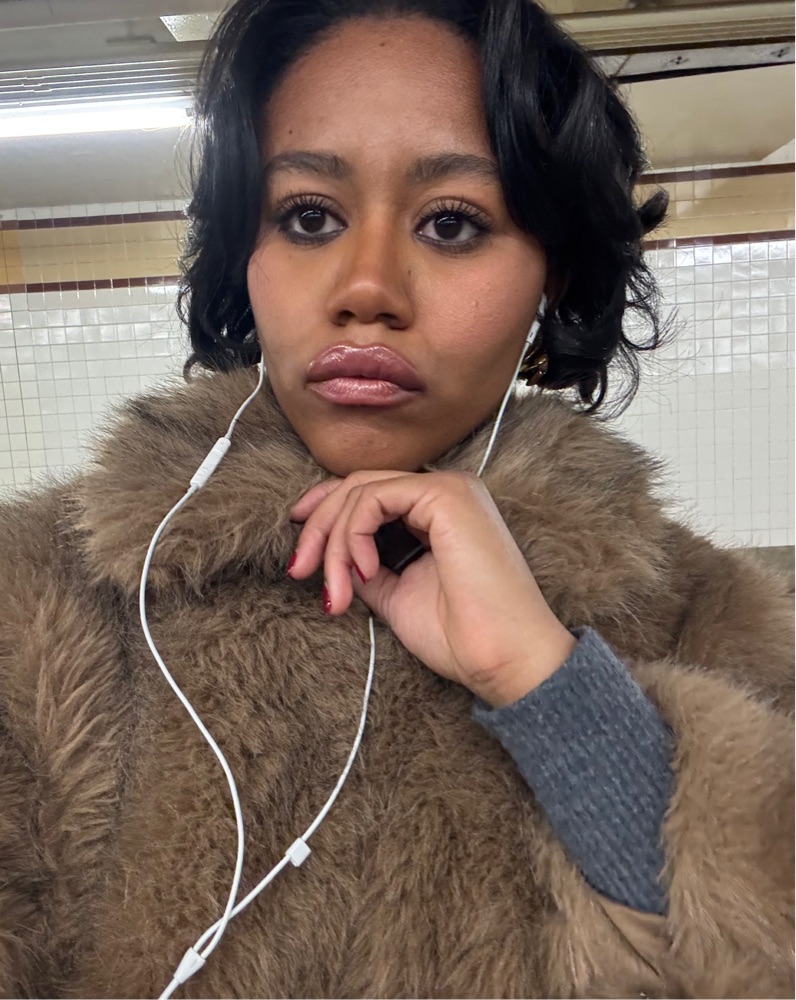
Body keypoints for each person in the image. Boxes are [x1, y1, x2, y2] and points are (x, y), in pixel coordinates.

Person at [0, 0, 792, 996]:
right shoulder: (38, 603)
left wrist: (552, 688)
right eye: (308, 217)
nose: (367, 285)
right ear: (246, 257)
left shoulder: (702, 616)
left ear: (552, 277)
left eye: (452, 223)